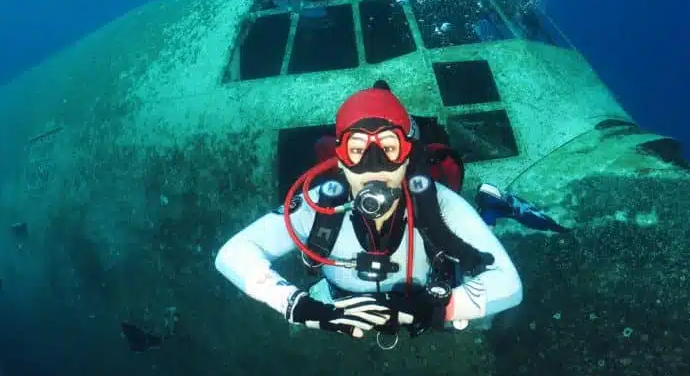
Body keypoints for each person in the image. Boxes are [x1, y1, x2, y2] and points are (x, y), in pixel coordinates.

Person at [214, 80, 525, 346]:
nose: (374, 166)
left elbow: (509, 285)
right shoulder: (318, 207)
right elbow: (232, 254)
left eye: (388, 149)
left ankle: (490, 210)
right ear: (340, 157)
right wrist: (300, 307)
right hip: (335, 301)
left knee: (486, 321)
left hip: (425, 299)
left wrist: (436, 309)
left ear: (408, 156)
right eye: (357, 149)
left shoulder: (440, 205)